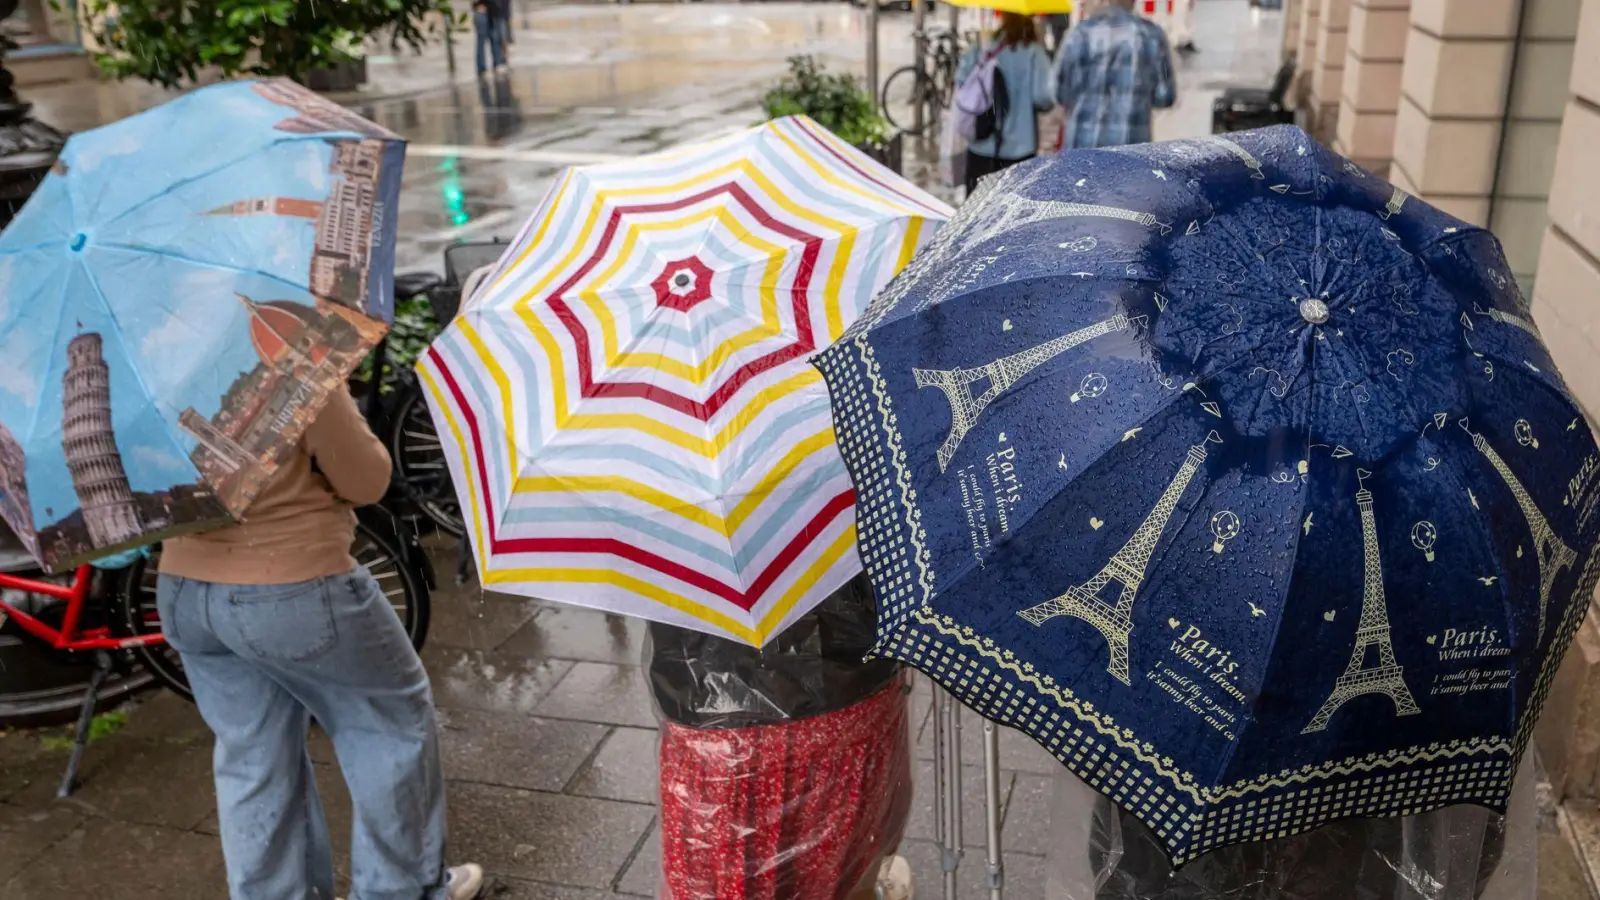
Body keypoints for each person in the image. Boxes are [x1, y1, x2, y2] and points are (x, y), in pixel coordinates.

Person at [156, 387, 483, 900]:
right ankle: (400, 891)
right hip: (291, 580)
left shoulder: (148, 374)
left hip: (184, 589)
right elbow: (366, 479)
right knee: (387, 722)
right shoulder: (283, 357)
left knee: (252, 752)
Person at [955, 10, 1058, 196]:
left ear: (1002, 15)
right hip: (1020, 150)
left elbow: (962, 82)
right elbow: (1043, 97)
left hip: (980, 145)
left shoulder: (982, 46)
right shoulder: (1034, 52)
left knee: (976, 215)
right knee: (1011, 216)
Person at [1053, 0, 1176, 150]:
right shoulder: (1151, 35)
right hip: (1130, 150)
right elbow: (1165, 96)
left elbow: (1058, 93)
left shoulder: (1078, 34)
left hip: (1081, 151)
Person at [472, 0, 506, 76]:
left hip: (494, 11)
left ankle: (497, 63)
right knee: (481, 41)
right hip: (482, 11)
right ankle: (482, 67)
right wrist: (477, 5)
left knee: (495, 40)